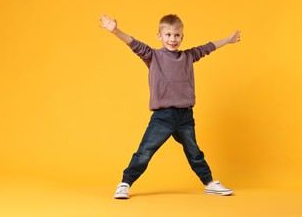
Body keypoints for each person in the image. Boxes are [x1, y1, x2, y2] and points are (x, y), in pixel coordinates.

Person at [99, 14, 241, 199]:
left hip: (185, 115)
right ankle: (125, 182)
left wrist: (228, 40)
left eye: (176, 35)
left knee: (194, 151)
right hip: (163, 116)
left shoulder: (188, 56)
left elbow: (207, 47)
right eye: (168, 35)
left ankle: (210, 183)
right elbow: (134, 44)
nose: (172, 39)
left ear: (182, 37)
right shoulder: (153, 56)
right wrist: (116, 30)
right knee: (145, 151)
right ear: (159, 36)